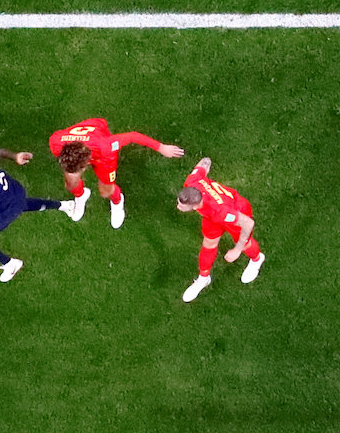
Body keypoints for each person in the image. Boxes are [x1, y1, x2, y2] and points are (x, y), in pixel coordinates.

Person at [0, 148, 78, 282]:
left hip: (7, 208)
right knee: (23, 204)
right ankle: (66, 206)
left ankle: (10, 264)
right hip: (14, 190)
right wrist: (15, 156)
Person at [48, 117, 184, 227]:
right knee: (71, 184)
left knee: (105, 190)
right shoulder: (55, 143)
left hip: (102, 155)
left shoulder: (107, 146)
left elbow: (132, 136)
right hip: (88, 142)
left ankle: (117, 202)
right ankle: (81, 195)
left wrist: (161, 147)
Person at [176, 157, 266, 303]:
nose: (178, 207)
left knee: (245, 244)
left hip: (237, 212)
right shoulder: (192, 182)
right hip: (212, 217)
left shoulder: (221, 212)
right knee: (209, 244)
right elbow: (205, 161)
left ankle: (257, 259)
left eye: (182, 206)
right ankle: (203, 278)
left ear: (194, 206)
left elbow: (248, 223)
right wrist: (205, 163)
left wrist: (237, 249)